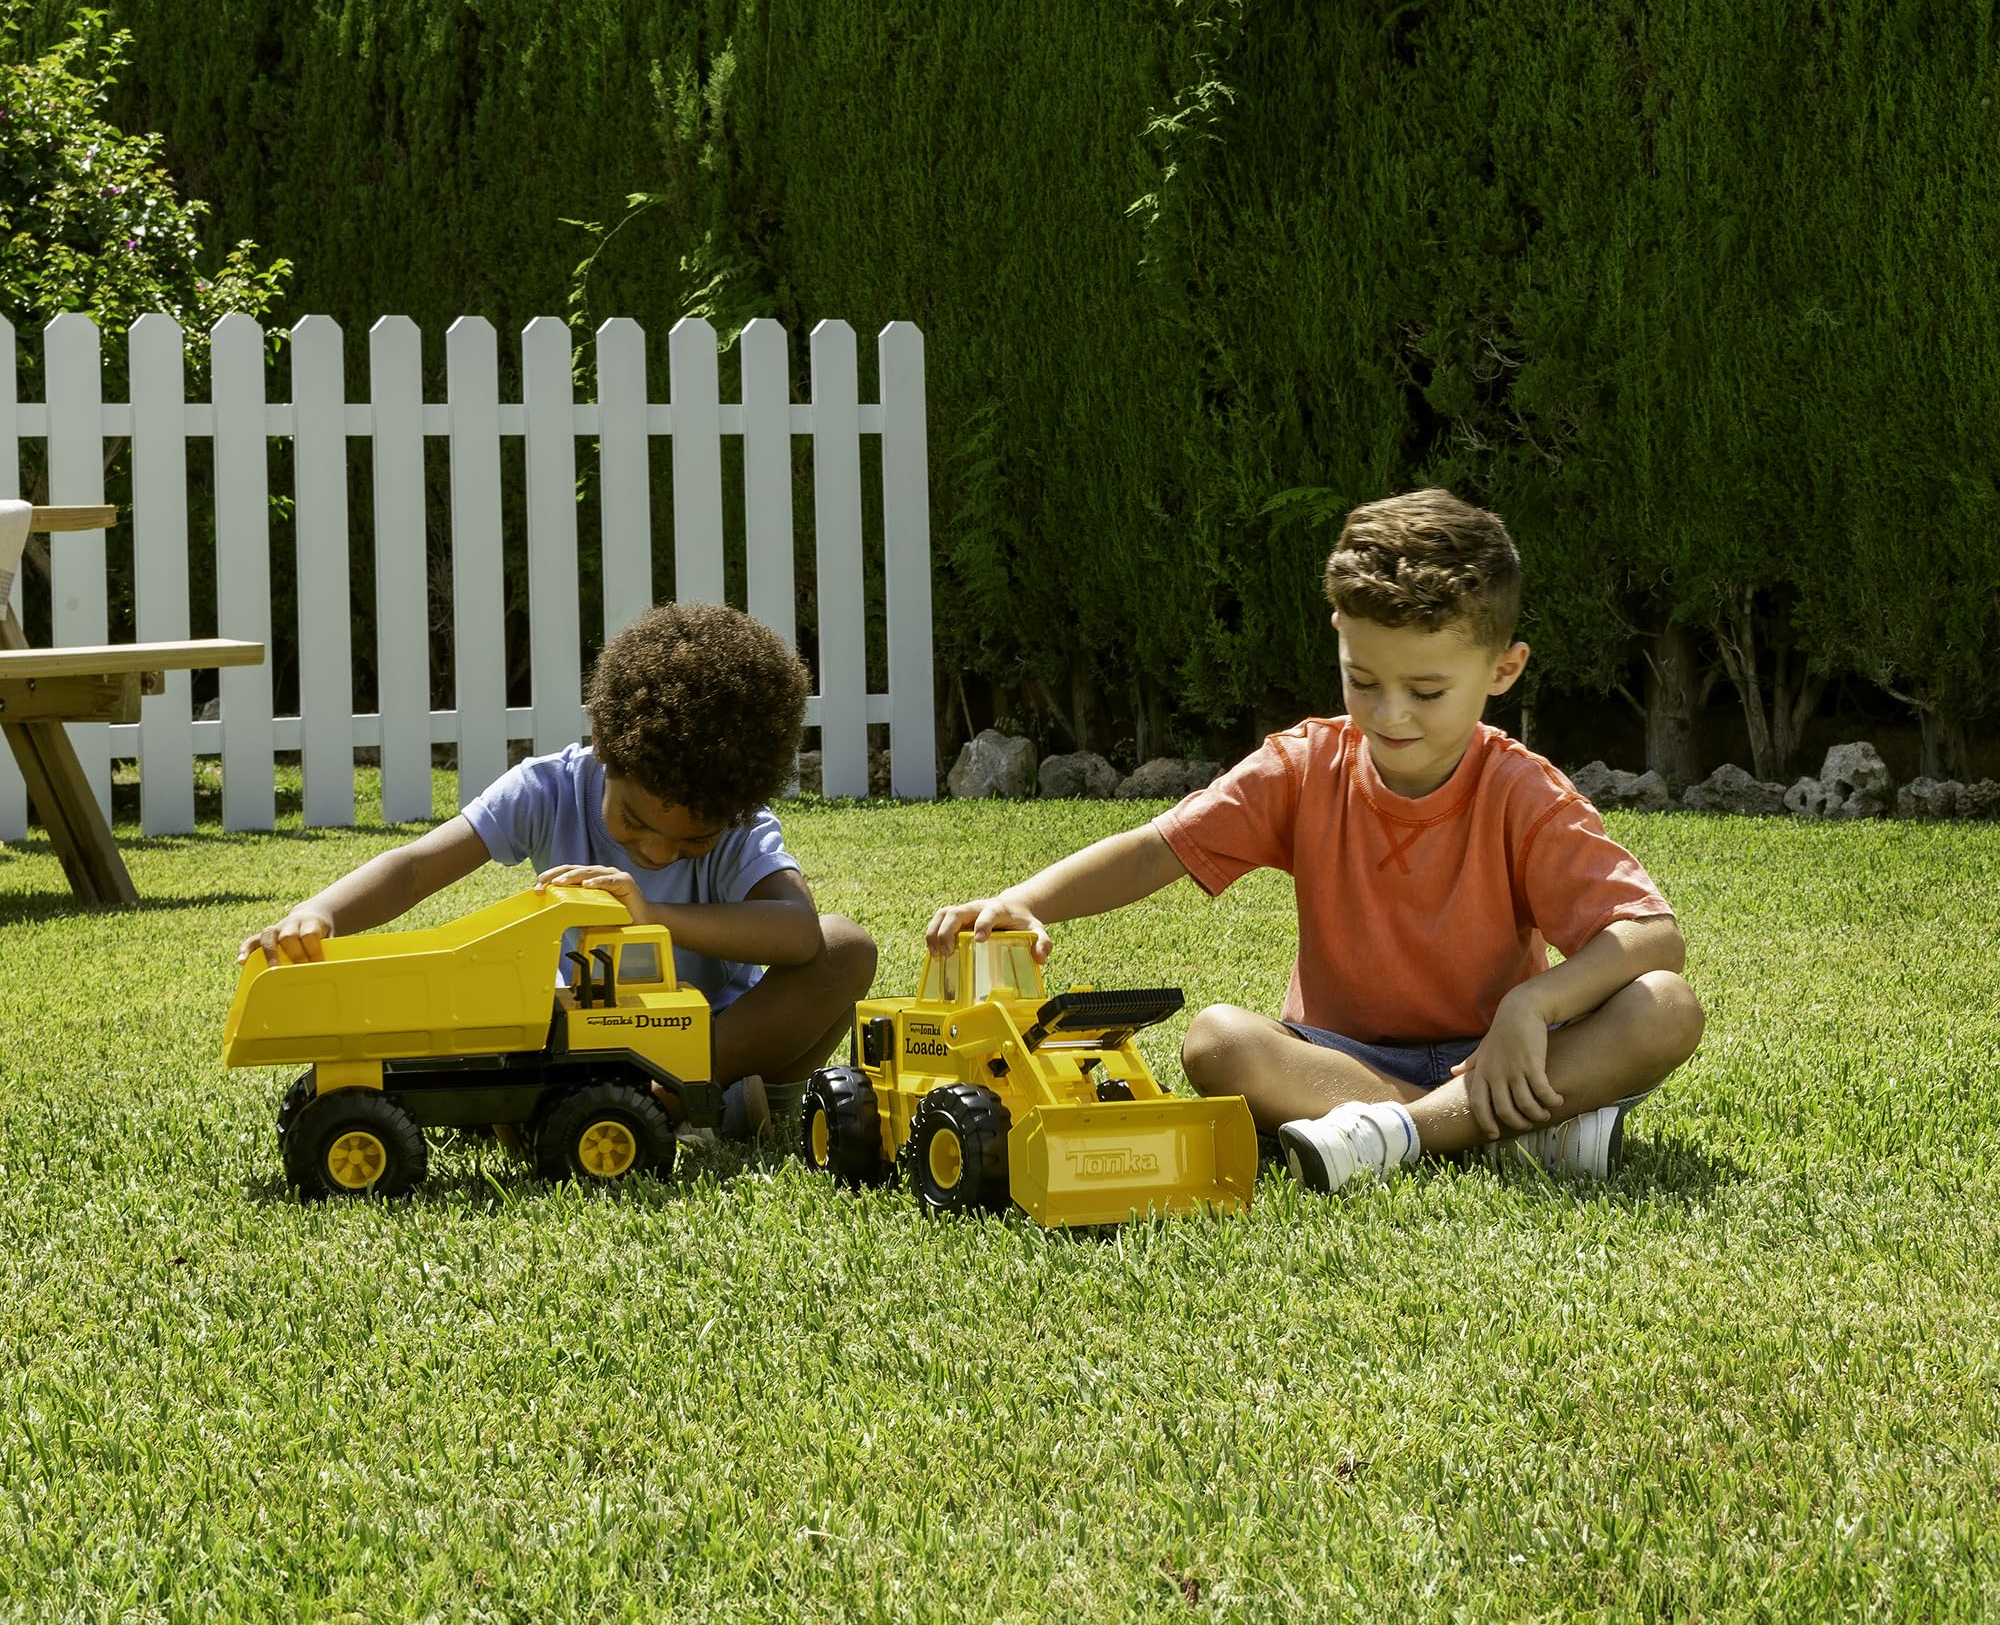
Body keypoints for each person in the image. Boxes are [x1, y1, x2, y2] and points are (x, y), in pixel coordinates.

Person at [925, 488, 1703, 1192]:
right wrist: (1024, 902)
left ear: (1505, 668)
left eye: (1427, 692)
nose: (1391, 714)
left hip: (1502, 1052)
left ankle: (1404, 1135)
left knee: (1665, 1008)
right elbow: (1157, 847)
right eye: (1363, 681)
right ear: (1339, 632)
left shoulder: (1523, 792)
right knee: (1218, 1041)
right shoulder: (1302, 768)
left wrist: (1532, 1007)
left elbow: (1652, 938)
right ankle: (1488, 1132)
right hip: (1341, 1064)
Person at [240, 602, 876, 1141]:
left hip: (719, 1045)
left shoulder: (740, 829)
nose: (656, 852)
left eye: (691, 842)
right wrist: (320, 912)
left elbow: (799, 933)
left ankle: (687, 1100)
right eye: (633, 821)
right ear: (605, 745)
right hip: (575, 1039)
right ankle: (571, 1106)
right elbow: (413, 869)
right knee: (458, 999)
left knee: (847, 945)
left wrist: (653, 916)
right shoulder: (548, 790)